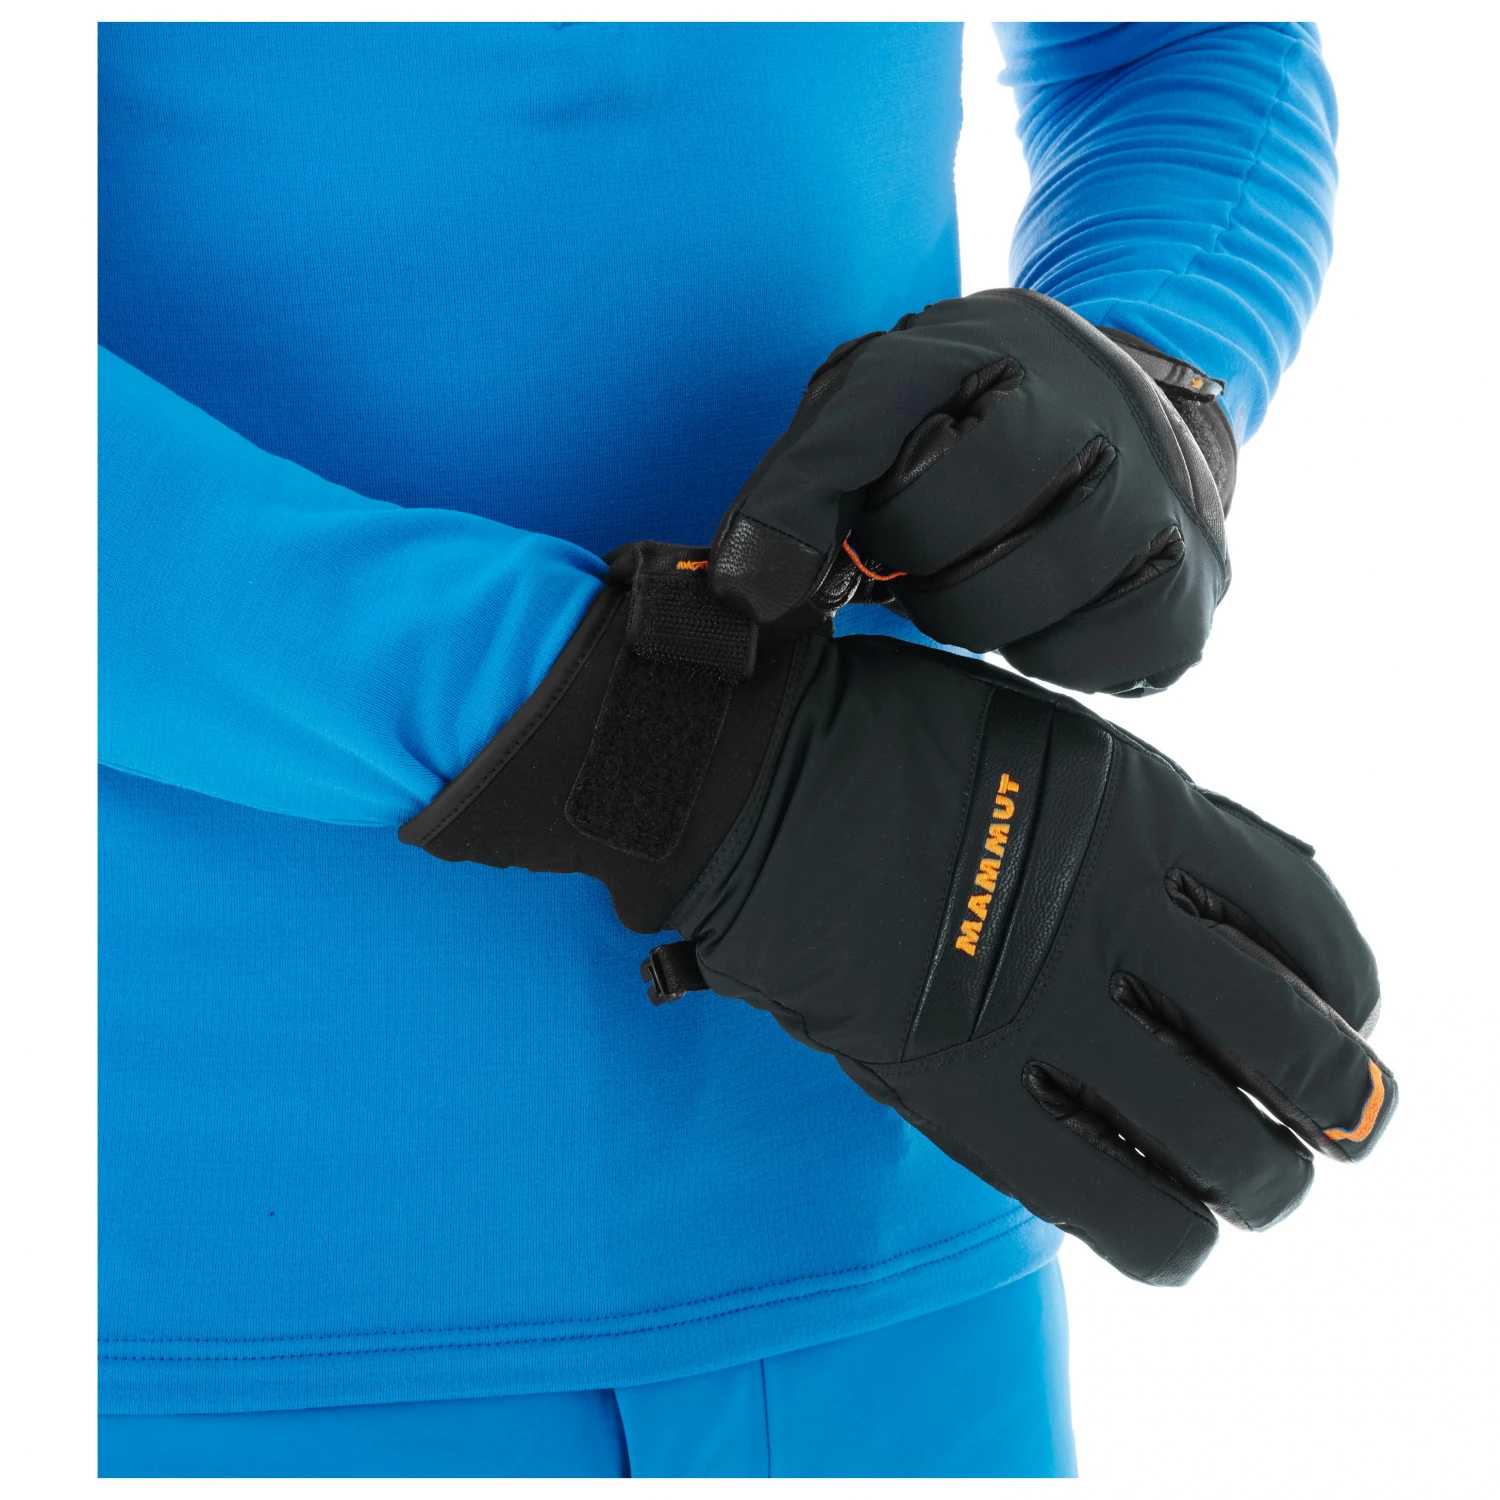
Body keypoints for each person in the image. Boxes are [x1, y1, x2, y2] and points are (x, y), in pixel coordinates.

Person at [98, 22, 1368, 1478]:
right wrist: (669, 742)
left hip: (897, 1189)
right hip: (212, 1313)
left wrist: (1144, 372)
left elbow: (1174, 42)